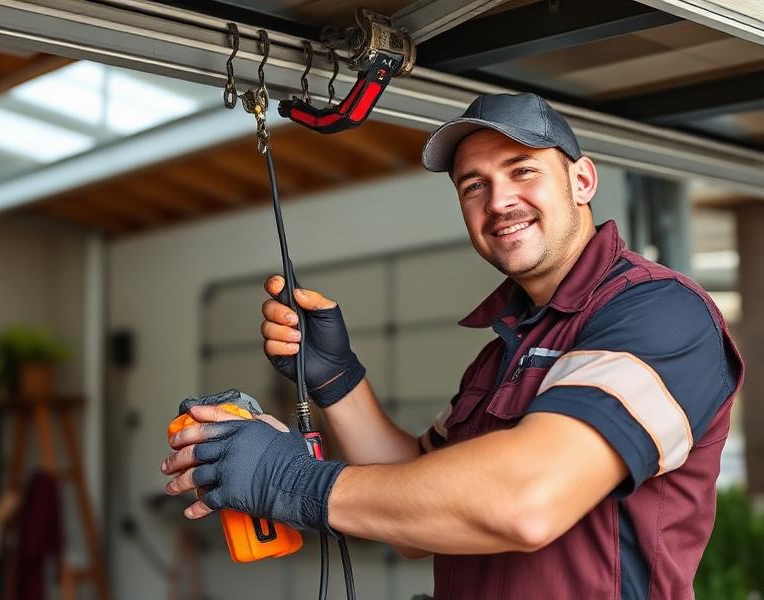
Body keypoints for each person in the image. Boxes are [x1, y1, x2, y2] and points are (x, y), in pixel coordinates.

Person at [161, 93, 743, 599]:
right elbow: (417, 493)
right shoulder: (503, 351)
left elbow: (526, 499)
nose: (499, 202)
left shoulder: (658, 313)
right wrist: (337, 379)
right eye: (474, 185)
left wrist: (290, 482)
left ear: (582, 180)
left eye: (523, 171)